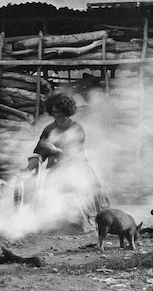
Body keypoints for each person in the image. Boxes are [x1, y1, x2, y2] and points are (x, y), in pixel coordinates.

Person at [22, 92, 110, 232]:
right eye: (54, 112)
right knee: (52, 196)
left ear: (67, 111)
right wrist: (28, 168)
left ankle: (79, 226)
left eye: (60, 112)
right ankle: (57, 226)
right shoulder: (49, 129)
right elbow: (39, 151)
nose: (56, 114)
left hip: (75, 167)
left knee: (76, 193)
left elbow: (74, 151)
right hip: (56, 168)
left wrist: (55, 150)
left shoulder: (76, 128)